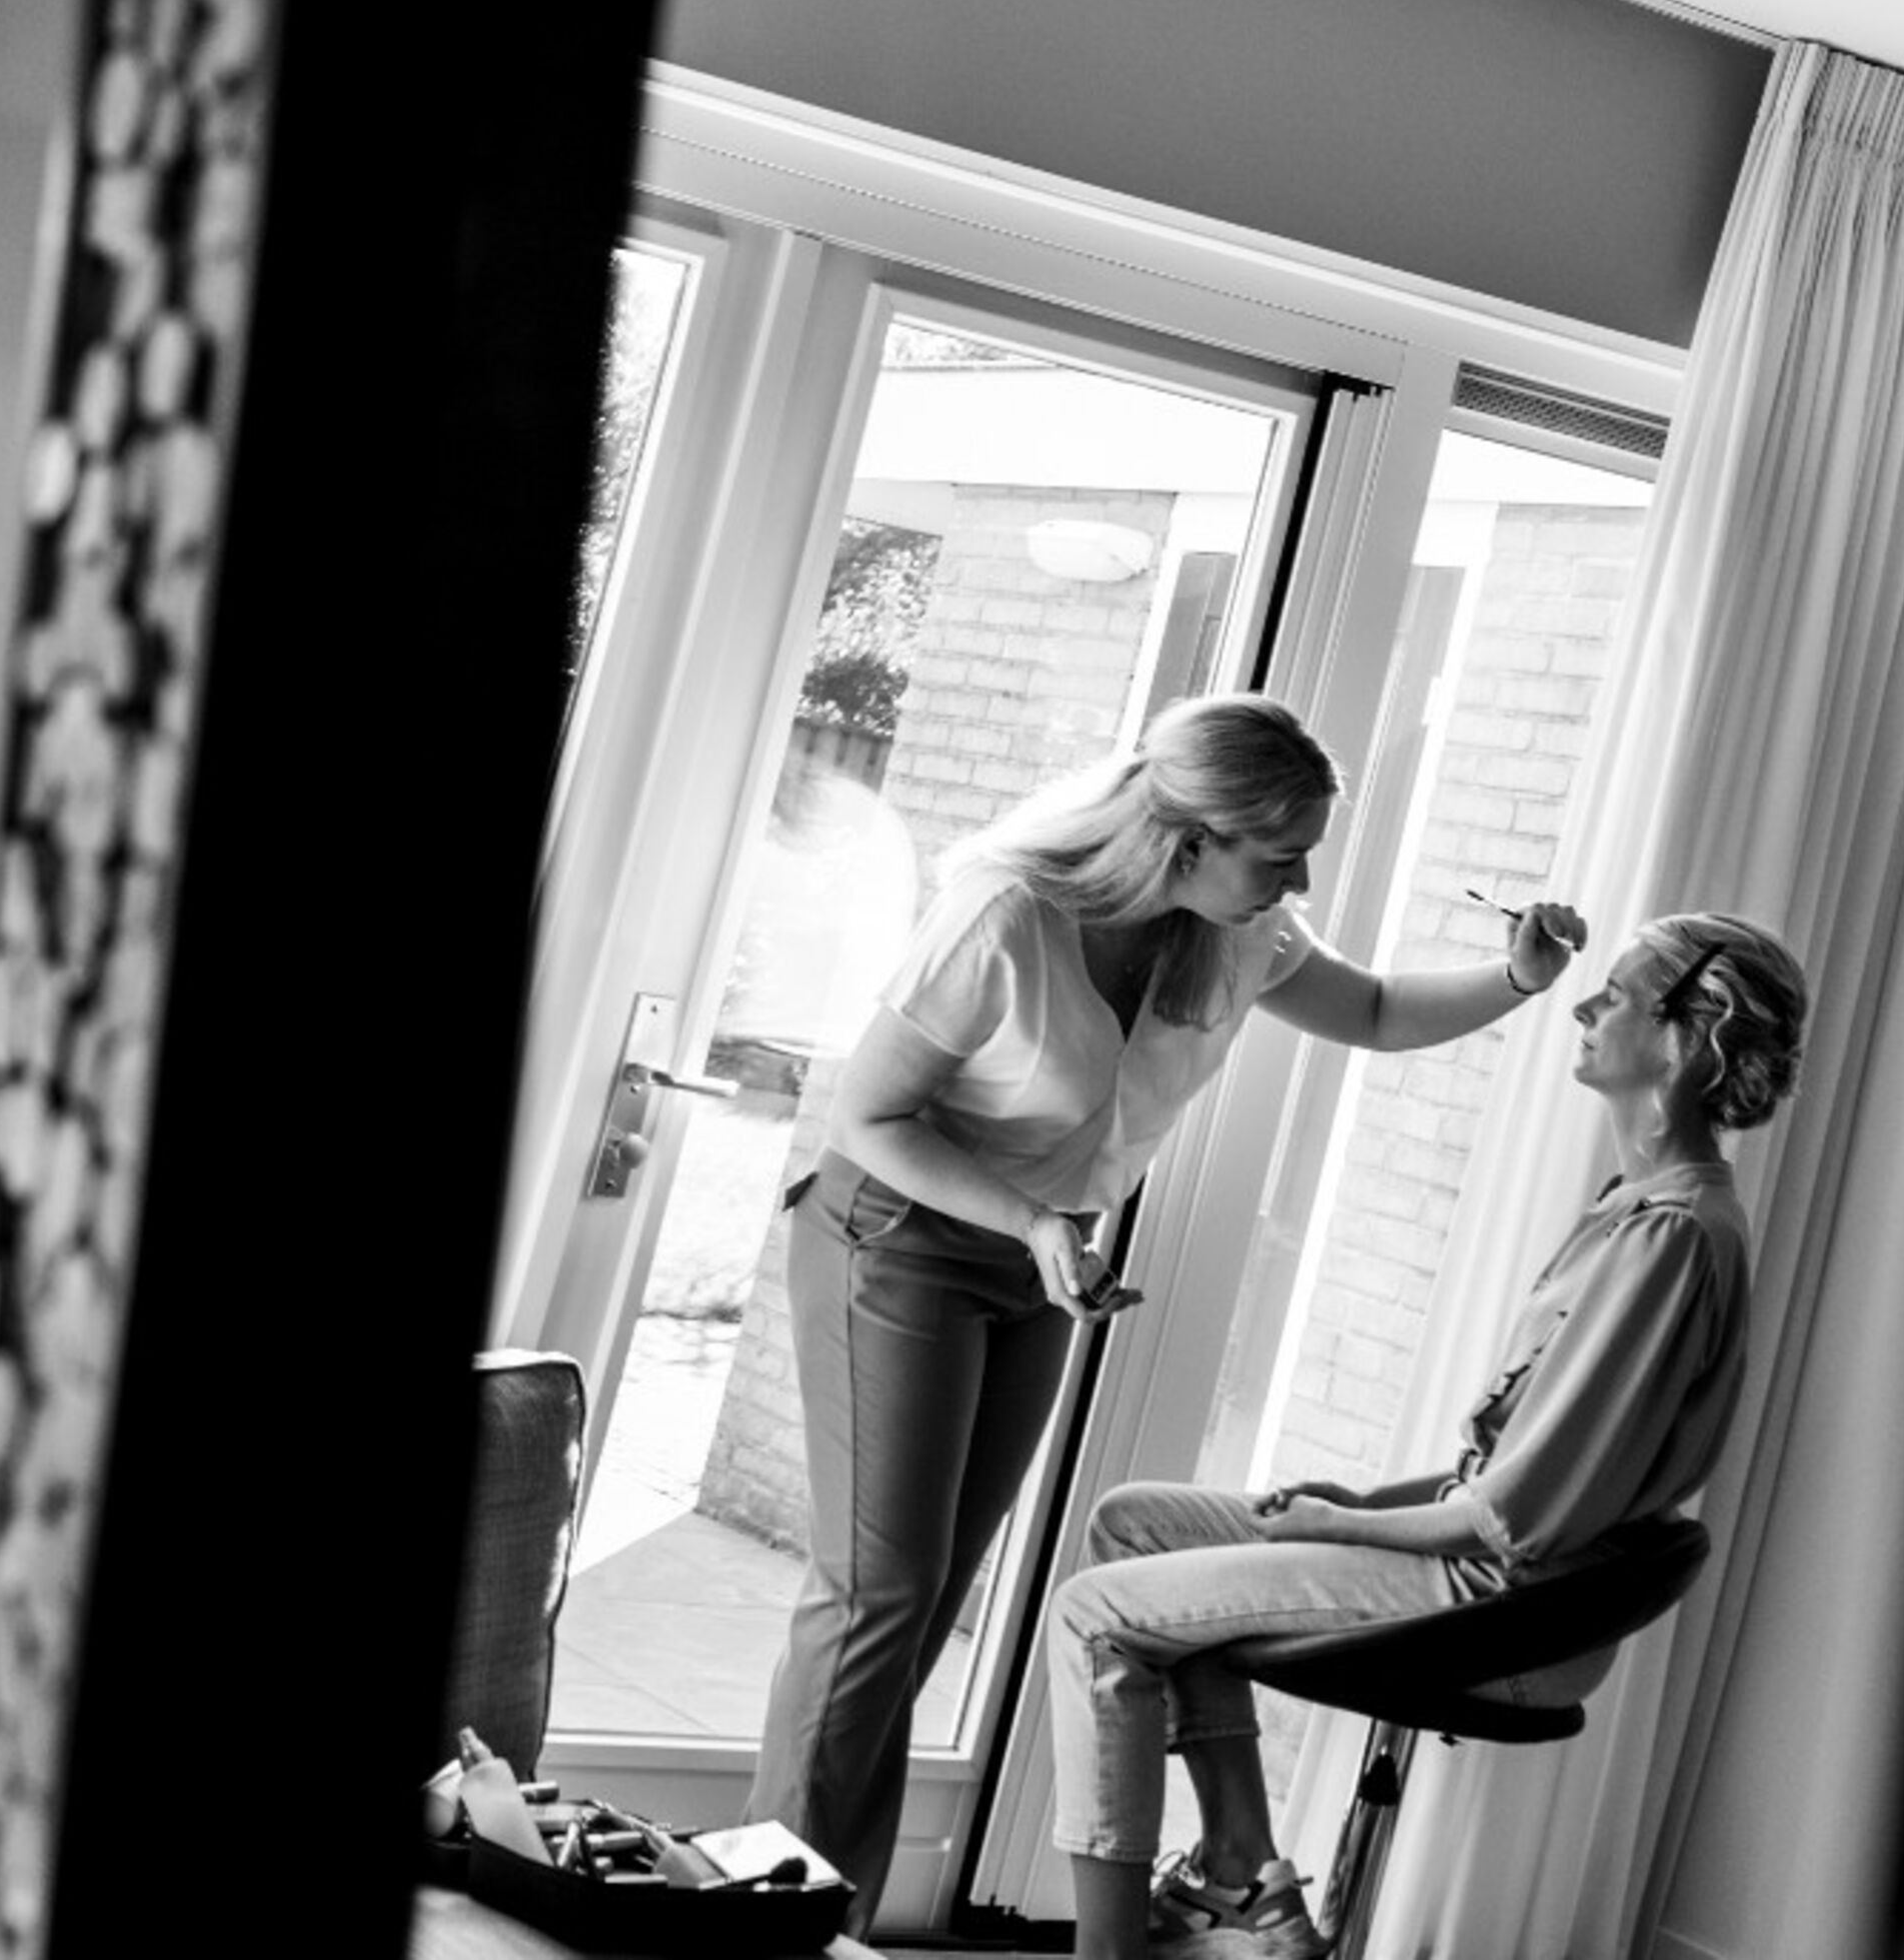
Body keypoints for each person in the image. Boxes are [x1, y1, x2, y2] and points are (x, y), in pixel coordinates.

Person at [745, 693, 1587, 1930]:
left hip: (1037, 1259)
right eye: (1279, 852)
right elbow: (868, 1117)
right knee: (876, 1593)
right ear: (1186, 838)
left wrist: (1517, 977)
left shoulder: (1238, 928)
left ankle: (825, 1908)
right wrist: (1034, 1223)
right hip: (897, 1236)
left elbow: (1370, 1010)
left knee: (925, 1594)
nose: (1298, 880)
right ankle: (772, 1921)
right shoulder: (1006, 913)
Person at [1039, 911, 1813, 1960]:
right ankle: (1240, 1875)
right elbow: (1514, 1463)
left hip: (1499, 1603)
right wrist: (1361, 1505)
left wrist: (1334, 1522)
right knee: (1134, 1523)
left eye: (1620, 993)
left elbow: (1512, 1515)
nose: (1584, 1005)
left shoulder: (1670, 1238)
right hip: (1490, 1571)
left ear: (1690, 1036)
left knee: (1093, 1615)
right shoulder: (1638, 1206)